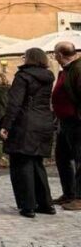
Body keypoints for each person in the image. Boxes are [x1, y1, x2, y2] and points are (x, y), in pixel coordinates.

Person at [0, 48, 56, 219]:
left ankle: (28, 206)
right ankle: (45, 204)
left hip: (25, 123)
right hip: (44, 121)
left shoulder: (23, 76)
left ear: (28, 58)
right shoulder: (48, 77)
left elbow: (15, 103)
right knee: (37, 163)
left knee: (21, 163)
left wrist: (6, 125)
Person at [52, 42, 81, 210]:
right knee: (62, 157)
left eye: (55, 53)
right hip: (64, 122)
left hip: (76, 122)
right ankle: (69, 193)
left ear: (60, 55)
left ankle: (79, 197)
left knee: (80, 159)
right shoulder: (65, 70)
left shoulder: (77, 69)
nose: (54, 56)